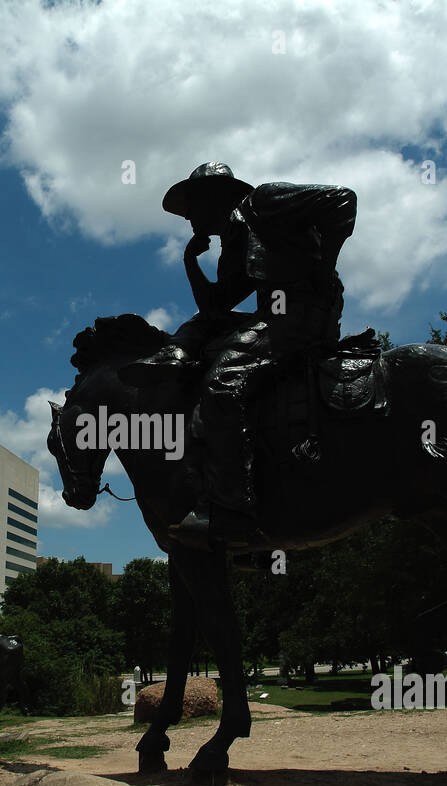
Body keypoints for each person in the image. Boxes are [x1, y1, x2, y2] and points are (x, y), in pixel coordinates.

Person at [124, 162, 358, 540]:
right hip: (275, 315)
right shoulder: (232, 242)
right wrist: (190, 261)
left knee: (221, 387)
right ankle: (176, 355)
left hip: (301, 313)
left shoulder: (264, 201)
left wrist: (323, 267)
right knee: (206, 326)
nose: (189, 219)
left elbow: (344, 200)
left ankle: (234, 509)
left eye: (191, 209)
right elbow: (215, 307)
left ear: (214, 198)